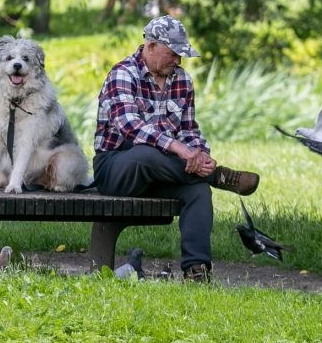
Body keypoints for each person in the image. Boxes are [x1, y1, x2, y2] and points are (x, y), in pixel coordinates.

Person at [93, 15, 260, 283]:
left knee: (197, 190)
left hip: (167, 172)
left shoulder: (182, 80)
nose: (178, 61)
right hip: (117, 169)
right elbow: (130, 127)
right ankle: (216, 176)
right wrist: (180, 150)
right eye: (172, 53)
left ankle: (197, 271)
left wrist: (199, 154)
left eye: (181, 55)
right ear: (150, 46)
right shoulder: (123, 73)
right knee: (144, 154)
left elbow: (189, 129)